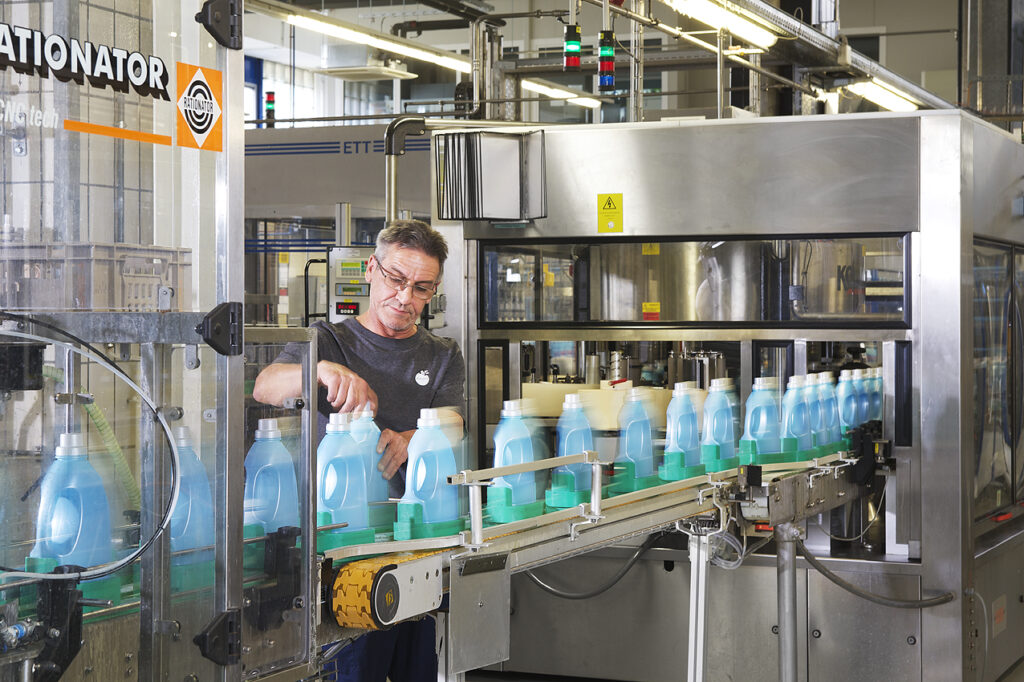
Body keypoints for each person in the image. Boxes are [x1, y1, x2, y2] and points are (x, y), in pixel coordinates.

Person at [253, 219, 465, 682]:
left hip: (416, 546)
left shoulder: (442, 353)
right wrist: (321, 370)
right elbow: (265, 386)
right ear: (371, 269)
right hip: (343, 552)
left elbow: (456, 421)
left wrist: (415, 437)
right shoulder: (328, 340)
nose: (405, 298)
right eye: (395, 279)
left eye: (421, 288)